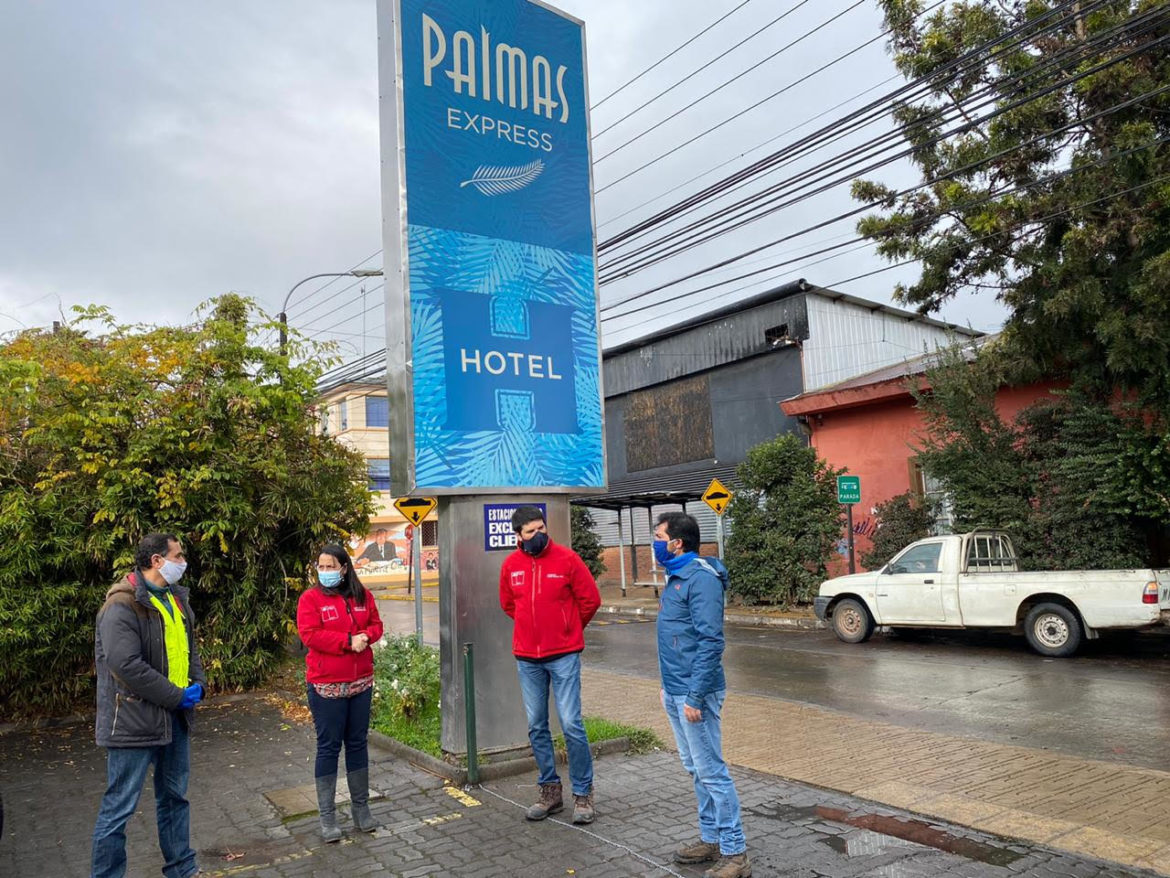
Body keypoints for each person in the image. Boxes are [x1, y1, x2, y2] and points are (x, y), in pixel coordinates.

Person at [91, 532, 207, 878]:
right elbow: (126, 666)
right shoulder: (121, 605)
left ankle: (182, 868)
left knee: (174, 799)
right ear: (157, 561)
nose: (182, 562)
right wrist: (175, 695)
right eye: (178, 555)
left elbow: (188, 646)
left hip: (174, 719)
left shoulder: (175, 598)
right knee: (119, 808)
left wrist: (198, 683)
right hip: (133, 723)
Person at [654, 512, 750, 878]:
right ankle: (711, 838)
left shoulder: (701, 580)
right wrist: (669, 689)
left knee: (712, 771)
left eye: (659, 536)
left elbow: (711, 642)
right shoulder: (676, 577)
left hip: (697, 694)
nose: (655, 542)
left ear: (677, 542)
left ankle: (735, 852)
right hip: (677, 690)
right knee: (697, 769)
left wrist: (694, 696)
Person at [499, 505, 601, 824]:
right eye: (530, 531)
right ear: (517, 536)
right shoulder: (511, 565)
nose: (538, 535)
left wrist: (567, 628)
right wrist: (533, 629)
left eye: (541, 528)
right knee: (537, 725)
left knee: (571, 723)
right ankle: (550, 791)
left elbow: (590, 600)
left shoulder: (567, 559)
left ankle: (582, 794)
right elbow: (507, 604)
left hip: (564, 655)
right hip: (527, 658)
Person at [296, 544, 385, 842]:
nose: (325, 572)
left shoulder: (362, 596)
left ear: (344, 568)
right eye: (320, 567)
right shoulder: (310, 599)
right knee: (329, 747)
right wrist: (349, 641)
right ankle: (328, 816)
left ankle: (361, 809)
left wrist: (365, 637)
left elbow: (376, 625)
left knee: (357, 743)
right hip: (326, 686)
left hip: (361, 683)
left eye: (330, 566)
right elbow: (310, 634)